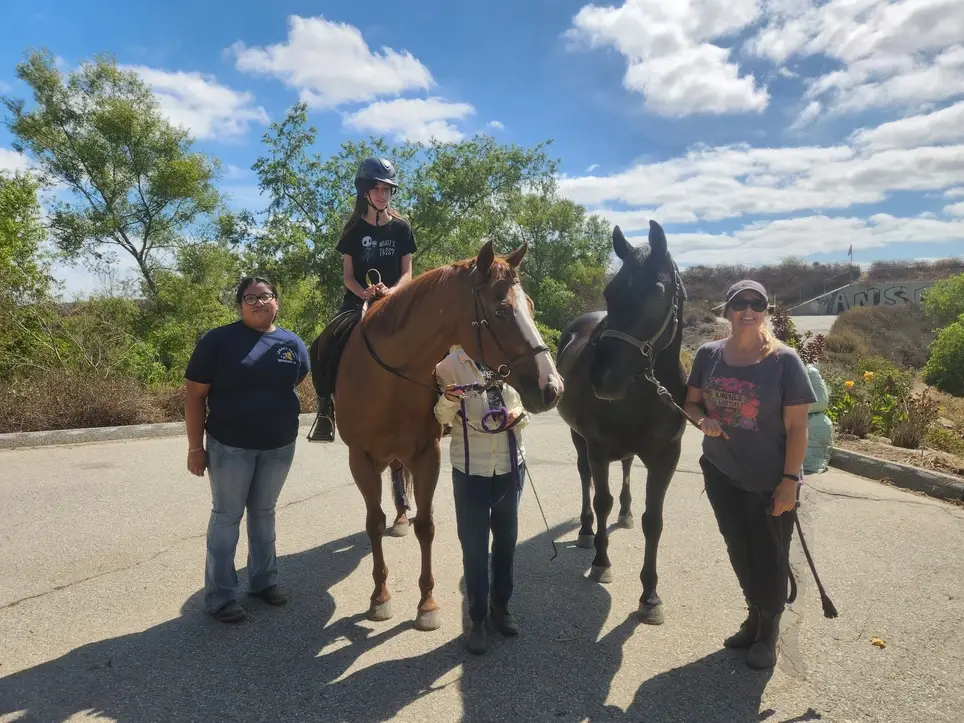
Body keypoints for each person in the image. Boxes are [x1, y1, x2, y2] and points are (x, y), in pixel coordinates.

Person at [684, 280, 816, 669]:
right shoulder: (708, 355)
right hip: (721, 471)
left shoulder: (784, 361)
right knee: (738, 548)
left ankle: (769, 632)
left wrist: (790, 481)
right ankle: (755, 617)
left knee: (770, 554)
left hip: (769, 479)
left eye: (756, 303)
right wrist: (702, 420)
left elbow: (797, 428)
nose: (748, 310)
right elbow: (691, 403)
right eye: (739, 303)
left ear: (765, 311)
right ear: (726, 311)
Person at [184, 277, 311, 623]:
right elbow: (195, 396)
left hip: (279, 445)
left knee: (264, 513)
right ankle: (221, 596)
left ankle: (263, 581)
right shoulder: (218, 341)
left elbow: (294, 381)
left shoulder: (292, 344)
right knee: (227, 516)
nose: (259, 302)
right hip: (230, 446)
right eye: (250, 298)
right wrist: (195, 448)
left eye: (265, 296)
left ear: (277, 302)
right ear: (240, 305)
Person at [308, 156, 417, 442]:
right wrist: (363, 292)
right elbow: (348, 276)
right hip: (358, 302)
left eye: (387, 189)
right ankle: (325, 409)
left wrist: (392, 291)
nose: (382, 194)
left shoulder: (402, 229)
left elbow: (407, 273)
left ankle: (442, 401)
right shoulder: (354, 231)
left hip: (394, 301)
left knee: (431, 336)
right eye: (377, 188)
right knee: (321, 344)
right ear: (365, 191)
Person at [434, 345, 530, 655]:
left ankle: (501, 607)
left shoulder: (510, 356)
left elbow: (523, 407)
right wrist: (450, 399)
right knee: (474, 546)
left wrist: (517, 416)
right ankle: (477, 619)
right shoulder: (448, 366)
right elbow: (440, 417)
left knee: (506, 541)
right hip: (470, 470)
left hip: (509, 466)